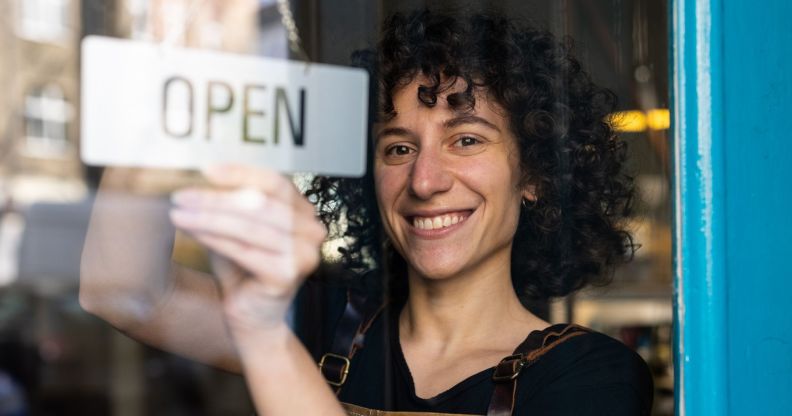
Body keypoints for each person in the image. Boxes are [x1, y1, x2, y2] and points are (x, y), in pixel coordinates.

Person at [80, 9, 653, 416]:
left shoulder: (591, 375)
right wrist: (178, 73)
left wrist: (264, 334)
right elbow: (122, 290)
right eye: (398, 148)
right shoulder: (326, 321)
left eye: (467, 141)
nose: (425, 181)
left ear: (534, 176)